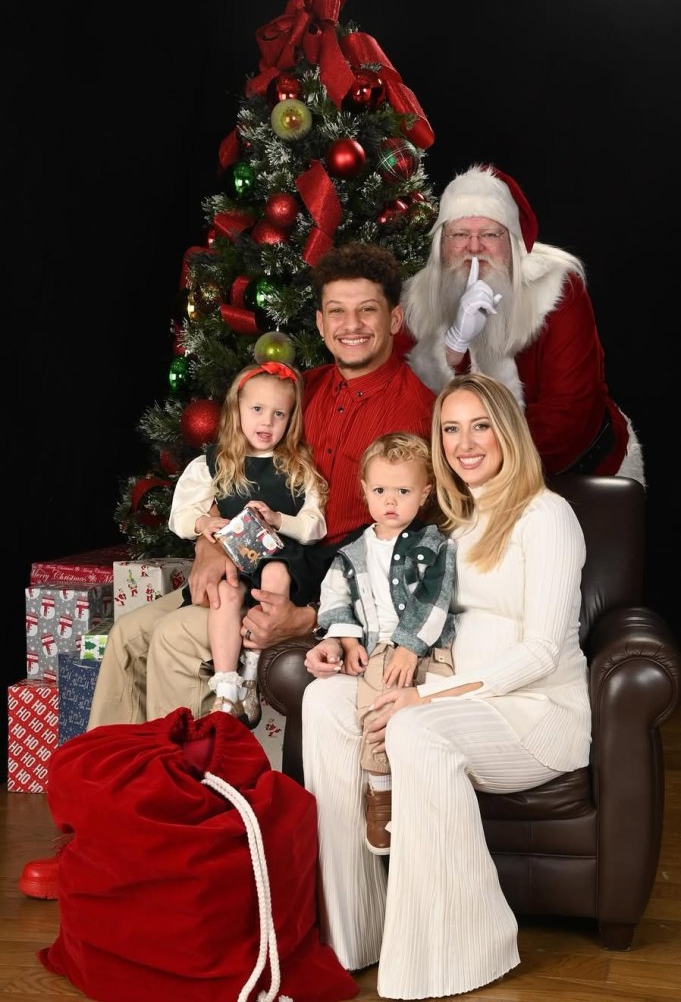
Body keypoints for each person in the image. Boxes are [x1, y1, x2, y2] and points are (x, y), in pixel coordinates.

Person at [18, 242, 436, 900]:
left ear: (393, 317)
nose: (350, 324)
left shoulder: (418, 407)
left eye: (366, 310)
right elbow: (234, 478)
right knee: (128, 634)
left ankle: (181, 845)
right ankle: (96, 833)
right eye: (335, 311)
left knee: (173, 641)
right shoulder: (301, 393)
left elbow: (401, 544)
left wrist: (307, 615)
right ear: (321, 321)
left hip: (316, 591)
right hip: (241, 566)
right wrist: (211, 549)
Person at [301, 372, 592, 1000]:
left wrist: (422, 697)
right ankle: (356, 932)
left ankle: (455, 951)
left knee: (415, 729)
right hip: (456, 693)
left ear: (508, 431)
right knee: (324, 701)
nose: (465, 442)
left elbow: (542, 650)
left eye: (480, 425)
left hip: (535, 714)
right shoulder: (450, 525)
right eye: (450, 429)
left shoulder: (546, 517)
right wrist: (346, 643)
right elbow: (396, 611)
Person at [394, 163, 645, 485]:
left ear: (512, 244)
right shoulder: (414, 302)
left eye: (489, 234)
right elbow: (403, 407)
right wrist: (452, 349)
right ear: (441, 244)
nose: (473, 248)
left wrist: (479, 468)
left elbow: (568, 413)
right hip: (465, 480)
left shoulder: (557, 287)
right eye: (459, 234)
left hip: (575, 473)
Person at [306, 432, 456, 856]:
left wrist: (410, 647)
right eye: (380, 490)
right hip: (378, 649)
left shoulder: (433, 545)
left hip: (428, 647)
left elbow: (435, 595)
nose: (391, 501)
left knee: (434, 703)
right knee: (374, 704)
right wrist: (346, 639)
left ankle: (427, 788)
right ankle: (381, 790)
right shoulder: (351, 553)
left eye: (403, 491)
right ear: (364, 492)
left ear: (424, 494)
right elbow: (334, 598)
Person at [169, 359, 327, 725]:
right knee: (225, 592)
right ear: (236, 409)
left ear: (291, 420)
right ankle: (227, 689)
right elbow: (180, 514)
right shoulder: (218, 462)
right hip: (236, 556)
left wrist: (278, 519)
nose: (266, 422)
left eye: (279, 414)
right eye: (257, 410)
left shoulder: (298, 466)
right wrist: (204, 521)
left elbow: (314, 525)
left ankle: (252, 673)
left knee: (275, 575)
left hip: (280, 556)